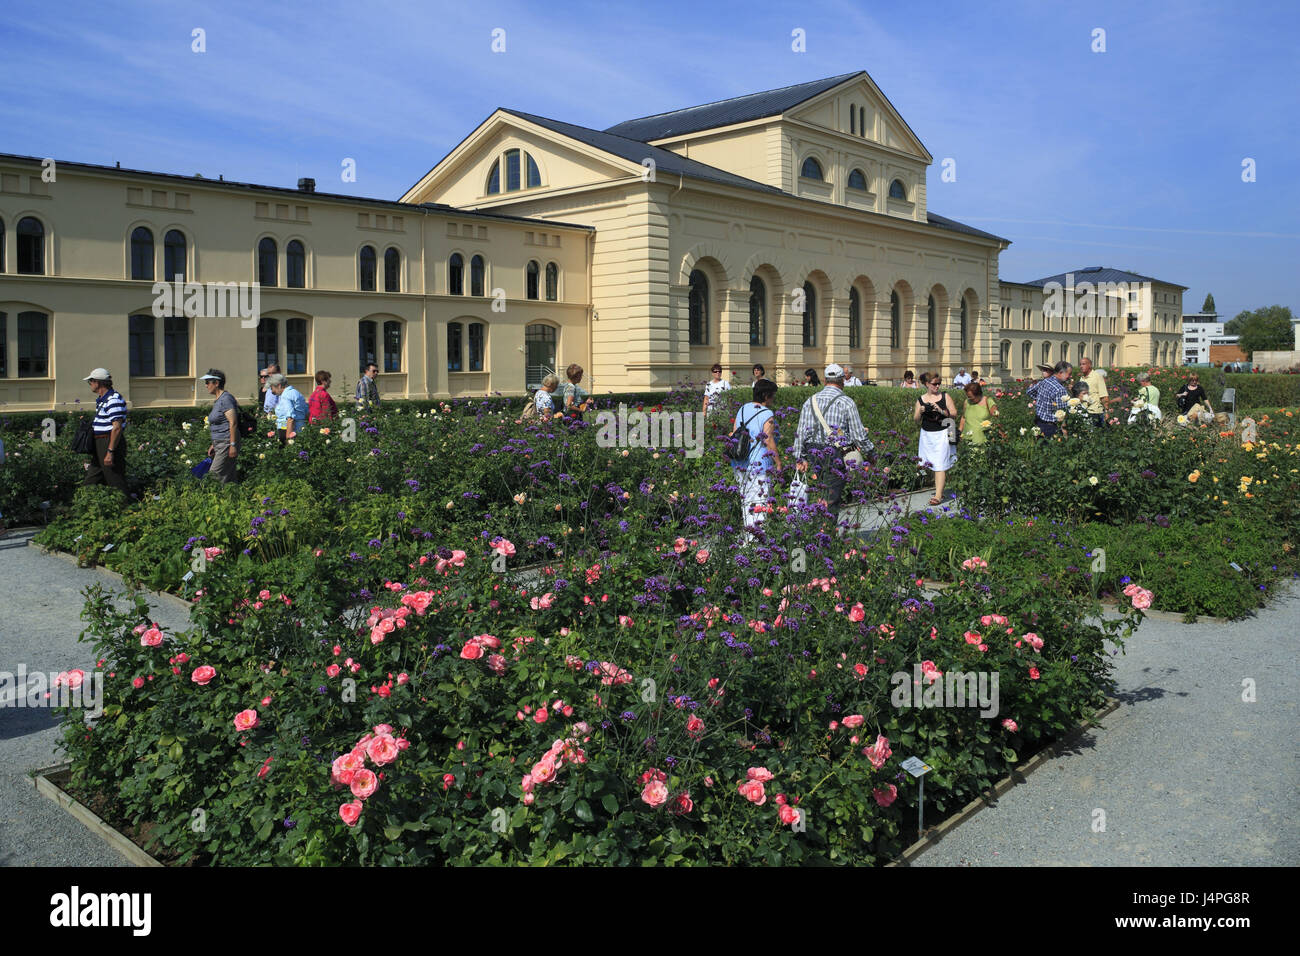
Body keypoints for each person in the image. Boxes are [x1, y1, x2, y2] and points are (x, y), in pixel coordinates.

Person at [793, 363, 873, 523]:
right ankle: (826, 537)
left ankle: (815, 532)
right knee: (832, 498)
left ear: (824, 380)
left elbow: (801, 431)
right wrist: (871, 453)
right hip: (835, 454)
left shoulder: (810, 401)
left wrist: (799, 457)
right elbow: (859, 435)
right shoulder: (846, 402)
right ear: (842, 380)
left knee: (819, 494)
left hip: (813, 453)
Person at [731, 377, 782, 533]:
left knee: (746, 503)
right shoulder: (767, 413)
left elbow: (734, 432)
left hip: (740, 463)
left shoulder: (743, 408)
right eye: (773, 395)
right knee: (760, 504)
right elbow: (769, 441)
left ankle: (748, 538)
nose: (773, 399)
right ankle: (757, 542)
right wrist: (778, 463)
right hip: (759, 465)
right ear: (766, 396)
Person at [915, 372, 958, 505]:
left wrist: (941, 411)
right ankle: (939, 488)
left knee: (940, 464)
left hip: (943, 433)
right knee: (928, 463)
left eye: (939, 383)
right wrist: (920, 411)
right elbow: (916, 420)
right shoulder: (920, 399)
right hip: (927, 435)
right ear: (927, 384)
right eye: (934, 384)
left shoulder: (945, 396)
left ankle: (938, 495)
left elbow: (954, 414)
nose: (937, 386)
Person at [83, 368, 128, 495]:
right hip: (101, 442)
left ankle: (127, 508)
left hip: (109, 441)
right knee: (91, 478)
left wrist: (110, 451)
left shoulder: (113, 400)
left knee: (115, 479)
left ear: (98, 382)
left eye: (91, 381)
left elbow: (117, 427)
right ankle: (83, 503)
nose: (90, 384)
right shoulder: (103, 399)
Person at [201, 369, 240, 484]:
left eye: (208, 382)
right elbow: (219, 423)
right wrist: (213, 444)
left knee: (213, 477)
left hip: (227, 442)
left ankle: (213, 499)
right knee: (229, 478)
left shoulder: (226, 399)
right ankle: (234, 499)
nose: (206, 385)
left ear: (216, 383)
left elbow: (233, 422)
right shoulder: (219, 400)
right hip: (220, 443)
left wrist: (232, 445)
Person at [1025, 361, 1071, 437]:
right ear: (1061, 372)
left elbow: (1029, 391)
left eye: (1046, 370)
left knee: (1040, 447)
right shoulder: (1060, 389)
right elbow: (1062, 414)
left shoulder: (1044, 382)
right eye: (1069, 374)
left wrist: (1041, 398)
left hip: (1039, 422)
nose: (1070, 376)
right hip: (1051, 427)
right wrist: (1065, 432)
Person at [267, 373, 308, 442]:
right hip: (300, 429)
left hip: (290, 432)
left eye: (272, 388)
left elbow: (290, 418)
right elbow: (306, 413)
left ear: (279, 385)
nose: (272, 391)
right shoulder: (296, 392)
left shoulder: (286, 396)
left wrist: (288, 440)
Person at [1077, 356, 1109, 427]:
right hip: (1084, 411)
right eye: (1080, 364)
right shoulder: (1082, 378)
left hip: (1095, 412)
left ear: (1090, 365)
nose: (1081, 366)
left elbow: (1103, 395)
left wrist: (1106, 411)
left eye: (1083, 364)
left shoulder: (1097, 376)